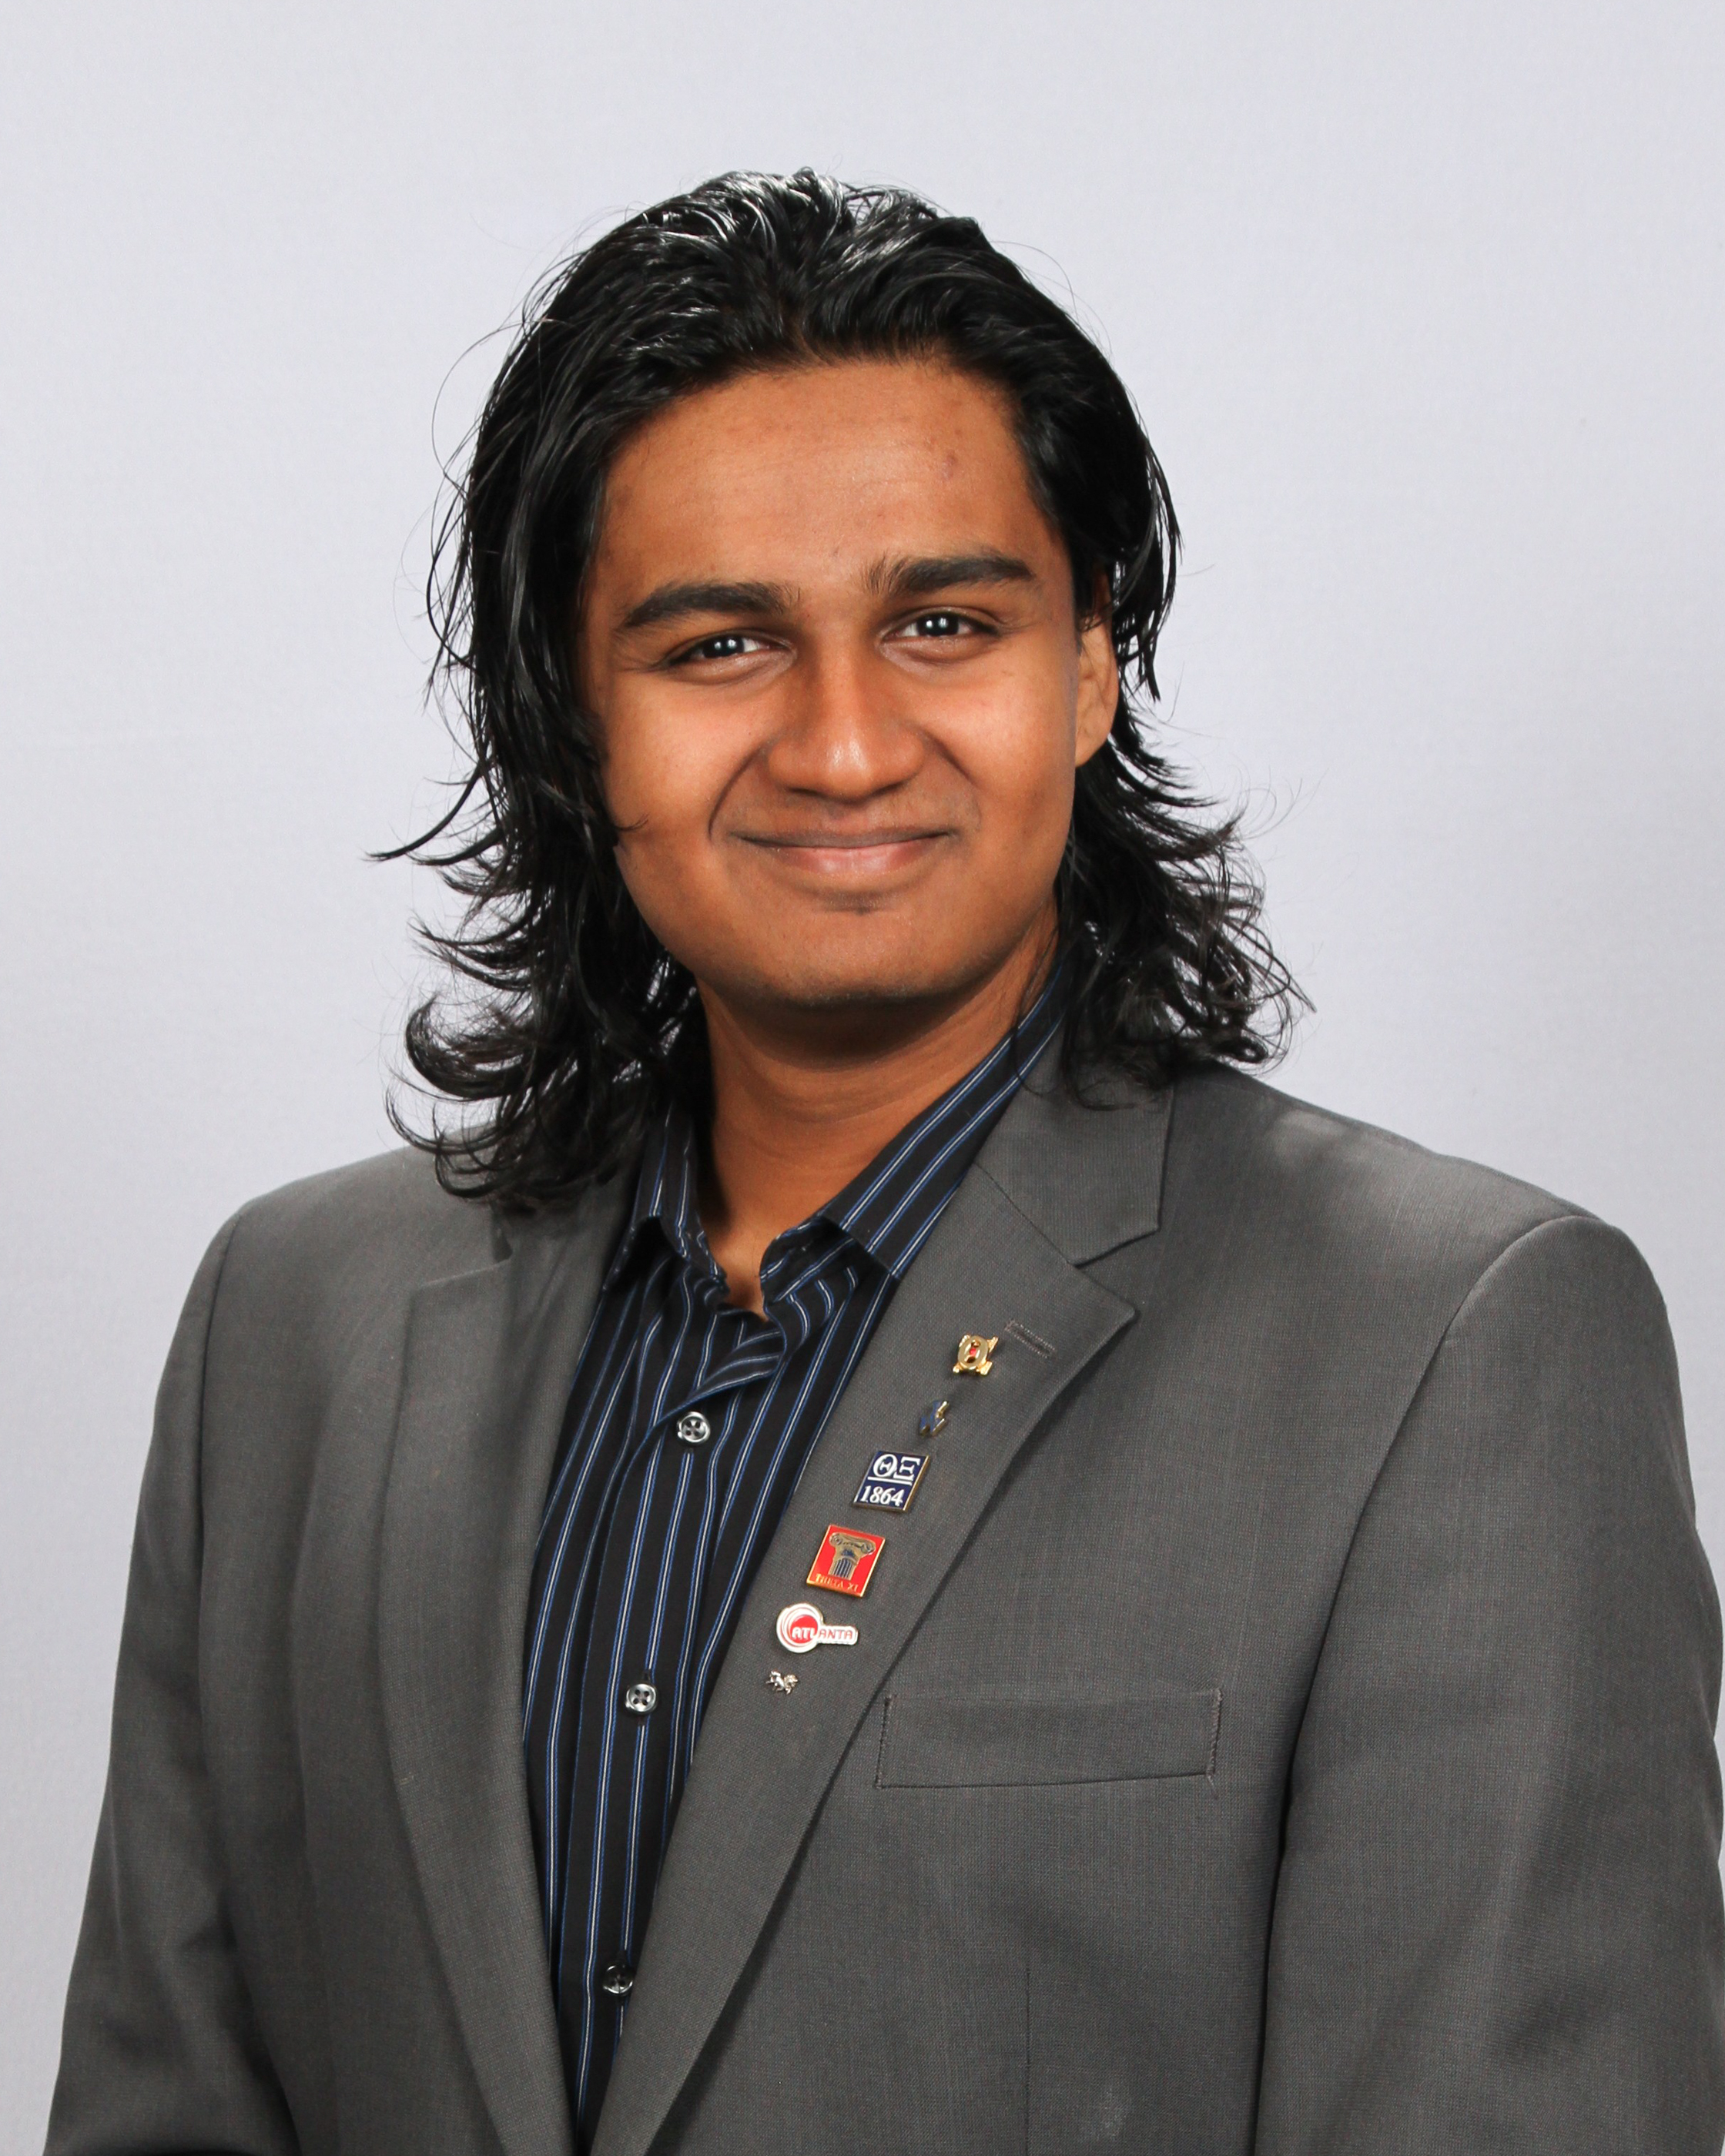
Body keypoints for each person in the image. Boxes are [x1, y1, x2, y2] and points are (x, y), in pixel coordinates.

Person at [47, 171, 1723, 2156]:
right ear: (575, 722)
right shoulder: (292, 1327)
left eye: (943, 624)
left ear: (1090, 668)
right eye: (719, 644)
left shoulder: (1454, 1348)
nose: (843, 746)